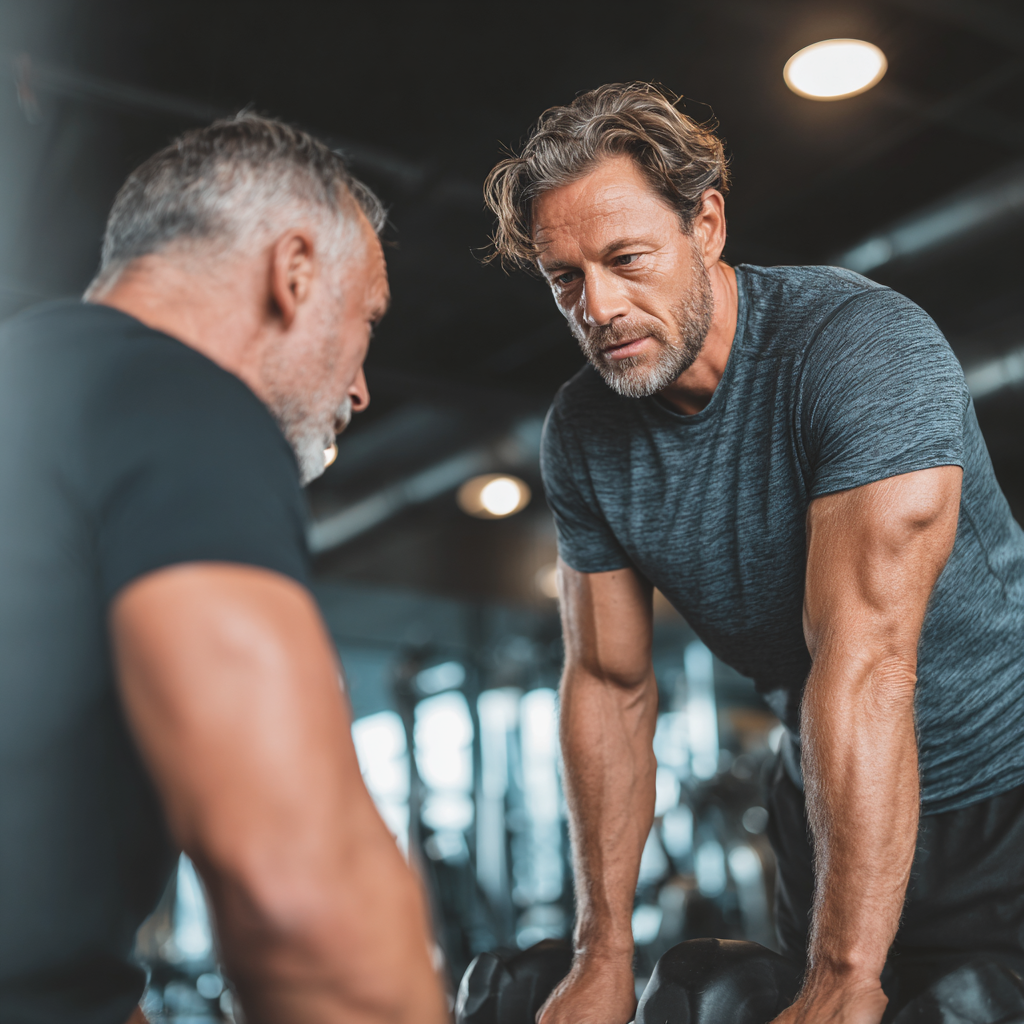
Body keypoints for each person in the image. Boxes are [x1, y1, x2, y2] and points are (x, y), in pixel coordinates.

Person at [483, 83, 1024, 1024]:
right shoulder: (581, 433)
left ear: (708, 225)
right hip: (827, 809)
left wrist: (848, 974)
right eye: (564, 277)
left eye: (627, 259)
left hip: (1005, 792)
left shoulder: (858, 350)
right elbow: (610, 687)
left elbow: (866, 666)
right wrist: (601, 951)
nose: (599, 307)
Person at [0, 115, 449, 1024]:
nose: (361, 389)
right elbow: (306, 908)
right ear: (294, 275)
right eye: (365, 319)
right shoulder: (181, 400)